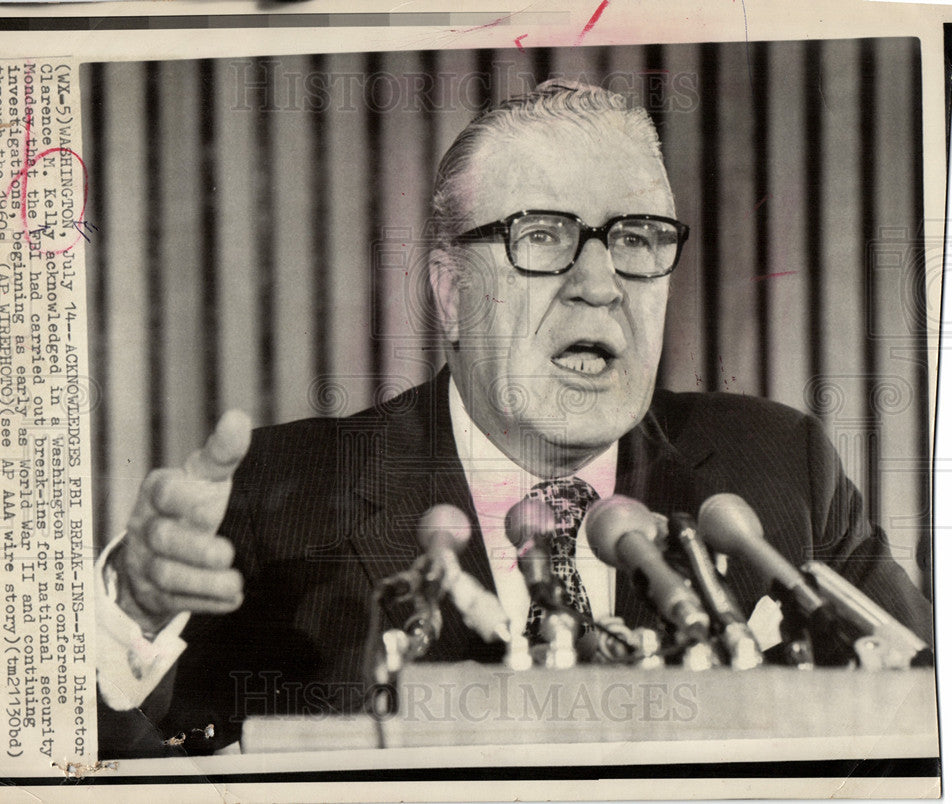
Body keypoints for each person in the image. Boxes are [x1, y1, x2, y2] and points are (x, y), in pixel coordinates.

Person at [96, 80, 933, 757]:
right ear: (452, 293)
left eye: (638, 239)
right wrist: (130, 610)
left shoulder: (780, 472)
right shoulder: (279, 503)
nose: (600, 285)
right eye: (544, 236)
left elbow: (934, 724)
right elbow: (89, 764)